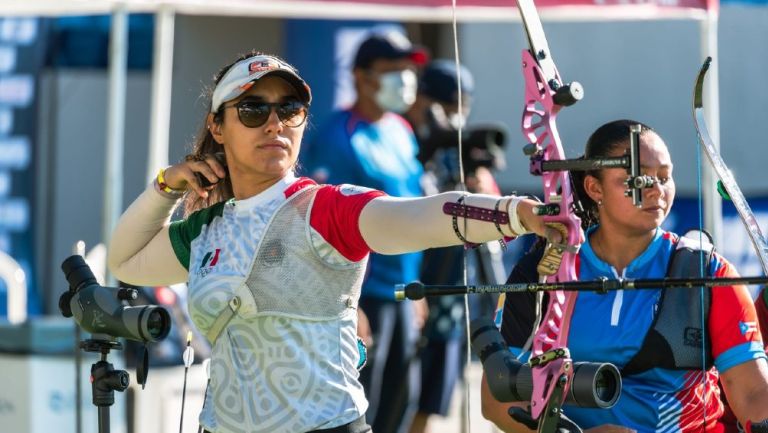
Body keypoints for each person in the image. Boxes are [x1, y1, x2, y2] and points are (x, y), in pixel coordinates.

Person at [106, 51, 555, 433]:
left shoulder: (325, 209)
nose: (274, 123)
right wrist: (165, 186)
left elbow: (423, 215)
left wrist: (518, 213)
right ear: (217, 127)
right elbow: (125, 260)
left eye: (290, 109)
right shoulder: (206, 229)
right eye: (252, 110)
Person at [480, 119, 768, 432]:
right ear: (594, 187)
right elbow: (497, 397)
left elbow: (752, 392)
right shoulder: (544, 270)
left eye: (665, 176)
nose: (657, 189)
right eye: (641, 177)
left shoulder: (710, 273)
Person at [302, 32, 428, 433]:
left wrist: (417, 290)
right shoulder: (338, 137)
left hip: (404, 294)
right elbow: (319, 226)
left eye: (407, 70)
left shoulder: (401, 131)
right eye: (393, 71)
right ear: (362, 76)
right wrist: (348, 304)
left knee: (400, 402)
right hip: (364, 297)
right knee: (360, 407)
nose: (404, 79)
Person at [403, 59, 507, 433]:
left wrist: (482, 187)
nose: (451, 120)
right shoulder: (405, 142)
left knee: (435, 389)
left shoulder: (458, 147)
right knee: (402, 388)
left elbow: (498, 225)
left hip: (454, 283)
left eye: (460, 110)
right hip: (416, 277)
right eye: (444, 109)